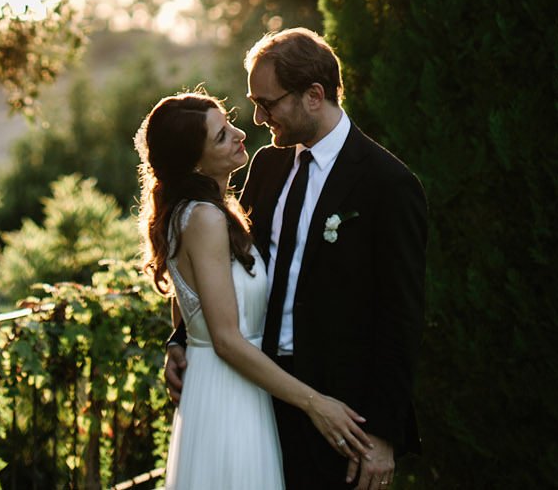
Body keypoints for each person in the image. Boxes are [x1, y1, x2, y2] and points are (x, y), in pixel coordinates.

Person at [164, 28, 428, 490]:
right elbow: (223, 268)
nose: (258, 118)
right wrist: (181, 338)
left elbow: (400, 316)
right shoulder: (268, 166)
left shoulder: (388, 184)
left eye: (268, 103)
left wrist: (384, 435)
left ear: (313, 96)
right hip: (257, 395)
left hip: (339, 414)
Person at [136, 90, 372, 490]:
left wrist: (182, 341)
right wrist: (316, 404)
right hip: (230, 394)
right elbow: (227, 341)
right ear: (194, 161)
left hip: (227, 385)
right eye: (222, 135)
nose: (240, 133)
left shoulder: (195, 212)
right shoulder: (206, 218)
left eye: (228, 123)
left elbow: (188, 301)